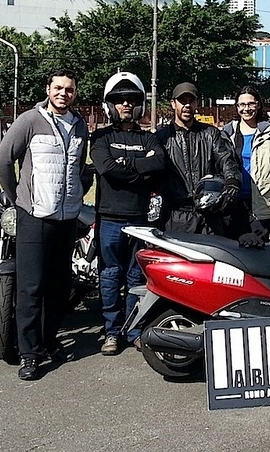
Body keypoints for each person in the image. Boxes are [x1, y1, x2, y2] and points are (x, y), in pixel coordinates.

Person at [0, 68, 90, 381]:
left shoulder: (79, 125)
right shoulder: (29, 121)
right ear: (48, 89)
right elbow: (3, 161)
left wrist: (77, 192)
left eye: (70, 89)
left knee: (59, 288)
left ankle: (50, 341)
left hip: (67, 218)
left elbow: (78, 167)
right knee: (31, 289)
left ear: (75, 93)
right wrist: (19, 198)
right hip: (33, 217)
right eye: (59, 88)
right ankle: (30, 354)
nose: (64, 93)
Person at [90, 72, 166, 356]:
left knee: (137, 278)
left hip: (140, 219)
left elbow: (158, 165)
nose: (125, 105)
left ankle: (134, 331)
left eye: (131, 100)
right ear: (110, 105)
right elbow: (106, 169)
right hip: (110, 217)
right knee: (110, 276)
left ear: (140, 105)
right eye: (119, 100)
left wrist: (124, 165)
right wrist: (138, 166)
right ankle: (111, 332)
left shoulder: (151, 138)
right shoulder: (100, 137)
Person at [155, 82, 241, 235]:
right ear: (173, 104)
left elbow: (226, 159)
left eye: (191, 101)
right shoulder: (162, 137)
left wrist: (232, 181)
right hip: (175, 216)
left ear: (197, 104)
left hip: (209, 216)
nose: (187, 105)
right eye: (182, 101)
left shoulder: (211, 133)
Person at [222, 85, 270, 242]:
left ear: (258, 104)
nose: (247, 109)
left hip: (262, 207)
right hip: (232, 206)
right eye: (242, 105)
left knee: (258, 256)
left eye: (251, 104)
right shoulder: (226, 134)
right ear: (237, 106)